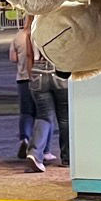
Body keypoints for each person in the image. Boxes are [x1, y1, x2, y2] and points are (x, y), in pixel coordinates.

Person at [25, 28, 69, 172]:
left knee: (44, 116)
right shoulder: (60, 27)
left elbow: (29, 55)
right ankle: (67, 157)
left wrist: (32, 76)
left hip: (38, 73)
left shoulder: (32, 31)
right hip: (59, 71)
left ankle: (35, 154)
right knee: (64, 119)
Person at [12, 21, 38, 160]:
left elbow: (12, 57)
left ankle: (24, 138)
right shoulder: (39, 33)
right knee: (42, 114)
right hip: (38, 77)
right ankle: (40, 147)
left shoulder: (18, 36)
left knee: (26, 112)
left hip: (22, 77)